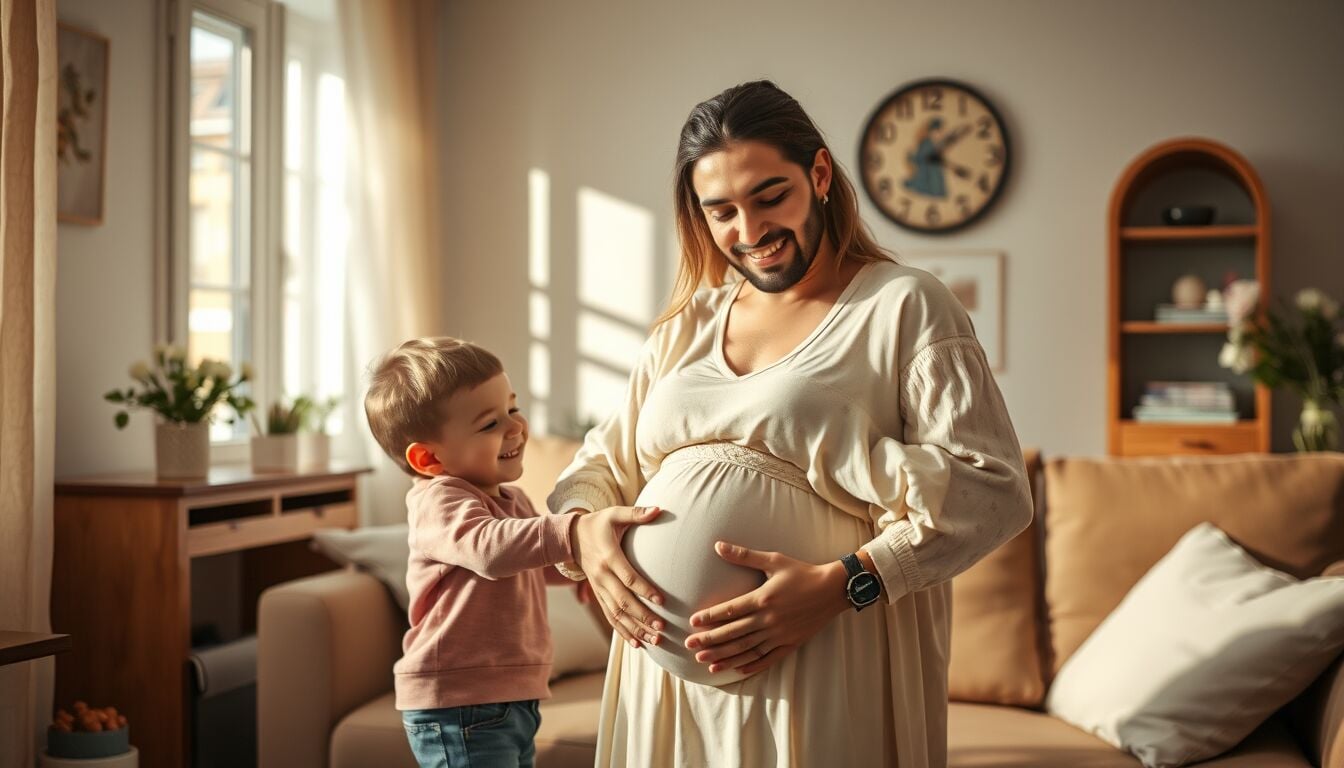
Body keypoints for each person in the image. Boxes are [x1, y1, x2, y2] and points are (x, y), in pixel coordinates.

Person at [547, 81, 1033, 767]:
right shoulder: (686, 325)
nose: (750, 232)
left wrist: (846, 585)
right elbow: (599, 465)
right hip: (662, 688)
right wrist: (585, 535)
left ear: (820, 175)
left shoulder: (904, 305)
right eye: (722, 212)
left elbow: (994, 492)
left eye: (770, 196)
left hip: (827, 657)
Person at [363, 337, 660, 768]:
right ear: (428, 458)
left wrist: (584, 562)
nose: (516, 427)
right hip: (458, 703)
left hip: (509, 695)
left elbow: (531, 564)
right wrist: (573, 533)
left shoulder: (512, 499)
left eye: (513, 408)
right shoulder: (438, 501)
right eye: (490, 424)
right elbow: (489, 549)